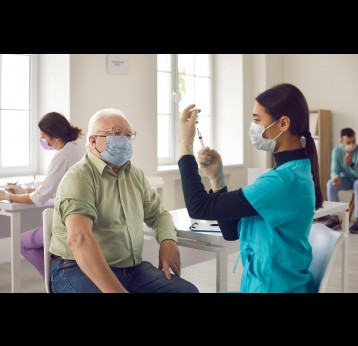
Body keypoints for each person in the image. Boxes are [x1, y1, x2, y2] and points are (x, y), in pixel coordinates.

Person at [178, 83, 323, 293]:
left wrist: (185, 145)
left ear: (283, 123)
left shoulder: (283, 181)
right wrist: (216, 178)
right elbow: (231, 231)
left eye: (257, 120)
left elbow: (199, 207)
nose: (253, 127)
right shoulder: (290, 173)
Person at [49, 108, 199, 293]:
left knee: (186, 291)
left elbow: (159, 214)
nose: (124, 139)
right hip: (77, 268)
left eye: (128, 134)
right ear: (93, 140)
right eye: (116, 133)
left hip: (131, 269)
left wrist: (168, 241)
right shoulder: (79, 177)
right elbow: (79, 239)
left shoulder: (134, 175)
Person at [0, 112, 85, 278]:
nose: (42, 140)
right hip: (83, 216)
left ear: (53, 137)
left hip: (69, 222)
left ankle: (53, 282)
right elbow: (55, 188)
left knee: (23, 242)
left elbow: (38, 198)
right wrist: (23, 192)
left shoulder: (61, 157)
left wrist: (7, 196)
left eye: (43, 136)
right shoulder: (77, 149)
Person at [326, 127, 358, 233]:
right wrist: (336, 178)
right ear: (342, 142)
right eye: (348, 142)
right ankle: (335, 217)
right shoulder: (337, 151)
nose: (351, 144)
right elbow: (334, 170)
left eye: (353, 141)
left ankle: (357, 220)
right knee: (330, 184)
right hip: (347, 180)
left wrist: (352, 164)